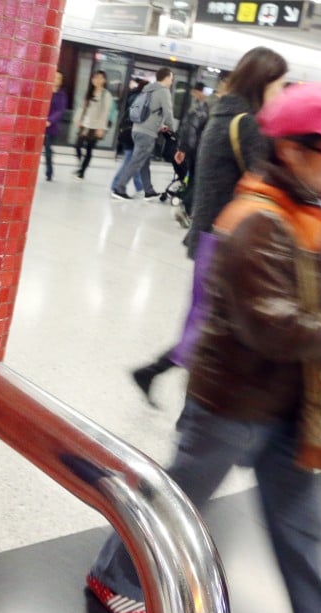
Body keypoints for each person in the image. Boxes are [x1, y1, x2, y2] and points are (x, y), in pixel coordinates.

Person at [88, 82, 321, 613]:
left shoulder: (312, 209)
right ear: (292, 150)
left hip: (291, 405)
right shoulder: (256, 219)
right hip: (231, 402)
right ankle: (113, 576)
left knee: (300, 534)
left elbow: (316, 285)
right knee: (180, 501)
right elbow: (274, 326)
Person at [131, 47, 288, 404]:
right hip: (230, 237)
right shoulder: (247, 123)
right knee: (212, 326)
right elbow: (265, 179)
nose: (281, 93)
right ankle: (186, 401)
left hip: (209, 233)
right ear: (262, 83)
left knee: (207, 320)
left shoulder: (223, 115)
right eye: (279, 85)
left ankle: (159, 376)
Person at [110, 67, 176, 200]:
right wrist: (172, 129)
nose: (172, 81)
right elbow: (168, 113)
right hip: (147, 133)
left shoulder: (148, 89)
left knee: (143, 161)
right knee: (136, 162)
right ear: (167, 78)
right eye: (171, 78)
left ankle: (148, 190)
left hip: (137, 129)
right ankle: (119, 188)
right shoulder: (163, 91)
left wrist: (159, 125)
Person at [171, 82, 211, 228]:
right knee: (197, 180)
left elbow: (187, 130)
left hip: (193, 149)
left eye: (195, 92)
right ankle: (186, 207)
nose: (194, 95)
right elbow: (191, 130)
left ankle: (186, 207)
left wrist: (182, 148)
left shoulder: (197, 107)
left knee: (194, 178)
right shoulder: (203, 107)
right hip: (200, 149)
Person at [73, 70, 113, 180]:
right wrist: (78, 119)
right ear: (92, 80)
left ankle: (82, 172)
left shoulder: (106, 95)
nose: (98, 80)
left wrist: (101, 128)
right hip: (85, 124)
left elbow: (106, 112)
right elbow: (82, 107)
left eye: (101, 78)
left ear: (104, 80)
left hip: (96, 126)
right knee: (77, 146)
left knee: (89, 149)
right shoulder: (89, 92)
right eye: (96, 78)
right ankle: (81, 165)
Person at [111, 78, 149, 195]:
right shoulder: (140, 99)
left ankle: (139, 187)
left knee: (133, 161)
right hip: (133, 135)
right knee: (129, 162)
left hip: (129, 133)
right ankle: (116, 184)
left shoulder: (133, 95)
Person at [44, 71, 68, 181]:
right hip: (39, 125)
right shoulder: (44, 90)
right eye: (55, 77)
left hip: (51, 127)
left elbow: (60, 111)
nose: (56, 79)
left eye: (59, 78)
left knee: (48, 150)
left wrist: (50, 121)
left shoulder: (62, 95)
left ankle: (49, 173)